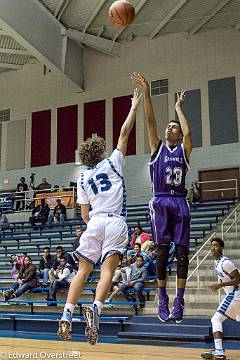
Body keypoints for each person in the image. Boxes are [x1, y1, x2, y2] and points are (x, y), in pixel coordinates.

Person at [57, 88, 142, 345]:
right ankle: (95, 309)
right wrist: (134, 105)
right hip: (115, 221)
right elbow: (124, 133)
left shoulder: (82, 177)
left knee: (82, 270)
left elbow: (83, 213)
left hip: (93, 222)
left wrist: (94, 225)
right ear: (102, 152)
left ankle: (66, 315)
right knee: (107, 271)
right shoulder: (113, 162)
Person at [132, 73, 192, 324]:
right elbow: (150, 121)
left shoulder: (183, 148)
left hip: (179, 202)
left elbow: (188, 133)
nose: (170, 128)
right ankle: (162, 298)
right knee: (162, 251)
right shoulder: (157, 147)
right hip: (160, 201)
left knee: (181, 255)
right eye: (169, 126)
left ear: (178, 134)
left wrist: (179, 109)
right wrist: (147, 93)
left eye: (174, 127)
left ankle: (179, 300)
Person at [201, 238, 240, 360]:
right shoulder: (216, 262)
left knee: (216, 319)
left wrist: (220, 285)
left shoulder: (226, 263)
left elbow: (238, 279)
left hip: (236, 294)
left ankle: (219, 350)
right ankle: (219, 350)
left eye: (216, 246)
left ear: (222, 248)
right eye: (211, 246)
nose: (213, 248)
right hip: (234, 294)